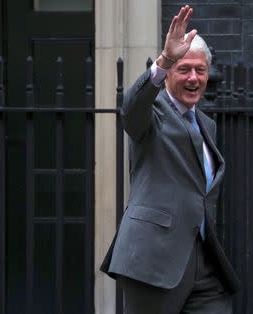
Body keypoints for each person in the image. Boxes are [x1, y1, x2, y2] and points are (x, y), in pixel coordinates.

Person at [100, 5, 240, 313]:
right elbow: (131, 109)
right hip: (154, 260)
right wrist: (164, 60)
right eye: (184, 69)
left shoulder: (207, 124)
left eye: (200, 70)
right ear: (168, 76)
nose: (193, 78)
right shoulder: (152, 113)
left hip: (203, 261)